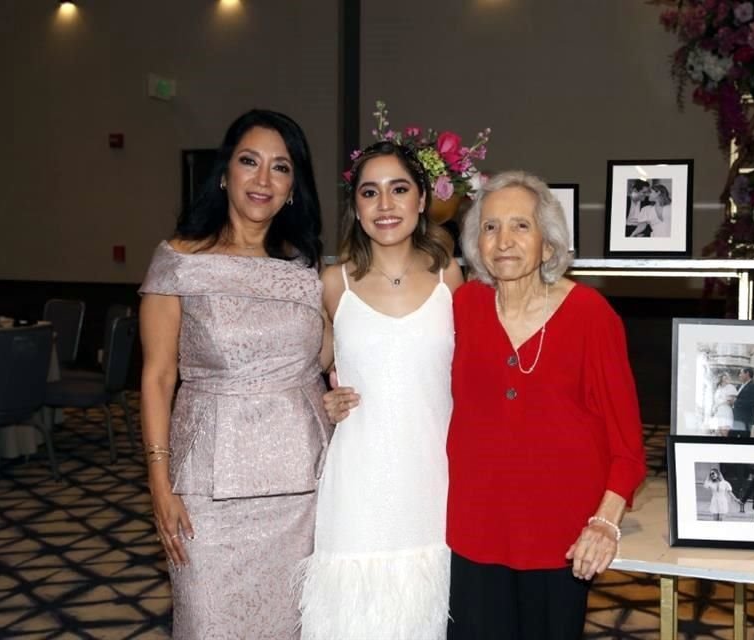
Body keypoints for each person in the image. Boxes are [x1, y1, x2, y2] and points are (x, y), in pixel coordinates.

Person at [138, 108, 331, 639]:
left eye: (281, 167)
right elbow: (157, 378)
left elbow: (330, 361)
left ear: (294, 187)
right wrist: (159, 482)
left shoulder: (305, 269)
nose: (263, 179)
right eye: (250, 162)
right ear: (225, 174)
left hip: (299, 486)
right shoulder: (178, 260)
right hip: (206, 486)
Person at [447, 171, 647, 639]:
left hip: (561, 540)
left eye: (521, 226)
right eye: (490, 227)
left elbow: (628, 447)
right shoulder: (463, 307)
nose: (504, 241)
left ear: (549, 243)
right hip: (473, 532)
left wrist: (604, 522)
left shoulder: (591, 316)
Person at [297, 141, 463, 640]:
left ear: (421, 200)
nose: (385, 205)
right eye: (370, 192)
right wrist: (322, 401)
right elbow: (304, 371)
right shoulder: (332, 283)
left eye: (399, 189)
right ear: (356, 206)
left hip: (432, 482)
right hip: (357, 488)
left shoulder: (451, 279)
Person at [731, 368, 754, 439]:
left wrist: (736, 402)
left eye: (741, 373)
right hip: (735, 418)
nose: (739, 375)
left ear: (747, 374)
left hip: (746, 420)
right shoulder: (738, 386)